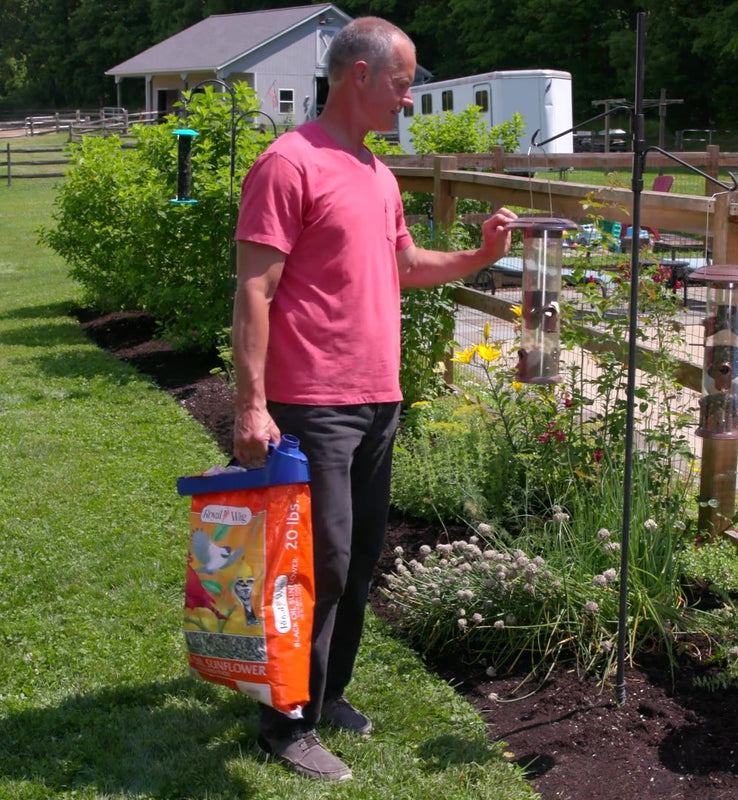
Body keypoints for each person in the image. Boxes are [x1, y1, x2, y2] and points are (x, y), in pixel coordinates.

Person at [232, 15, 516, 782]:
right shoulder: (288, 165)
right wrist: (252, 405)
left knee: (356, 564)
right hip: (310, 404)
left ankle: (326, 698)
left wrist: (480, 256)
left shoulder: (377, 173)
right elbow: (255, 292)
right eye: (403, 81)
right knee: (311, 566)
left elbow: (406, 265)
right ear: (360, 75)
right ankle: (284, 725)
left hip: (375, 400)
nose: (409, 96)